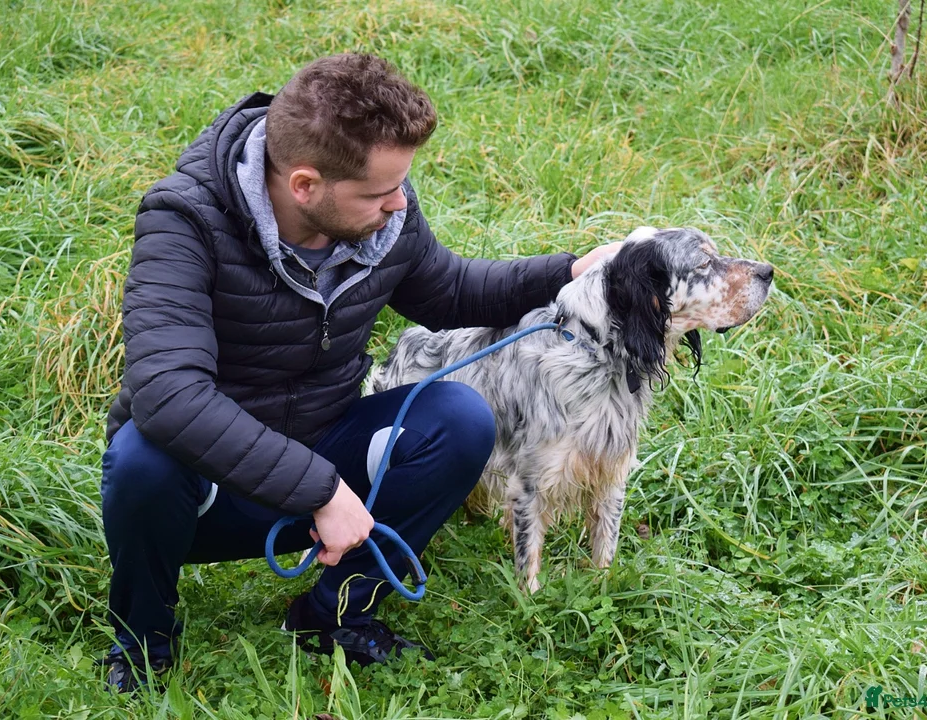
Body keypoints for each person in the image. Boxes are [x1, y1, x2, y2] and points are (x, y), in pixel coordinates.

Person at [99, 52, 621, 692]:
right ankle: (145, 642)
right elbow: (168, 396)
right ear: (304, 185)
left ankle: (333, 615)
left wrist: (567, 273)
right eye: (379, 193)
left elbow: (449, 291)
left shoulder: (384, 215)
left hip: (326, 444)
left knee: (459, 418)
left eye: (400, 185)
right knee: (141, 457)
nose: (399, 204)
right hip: (209, 493)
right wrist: (319, 490)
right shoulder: (183, 221)